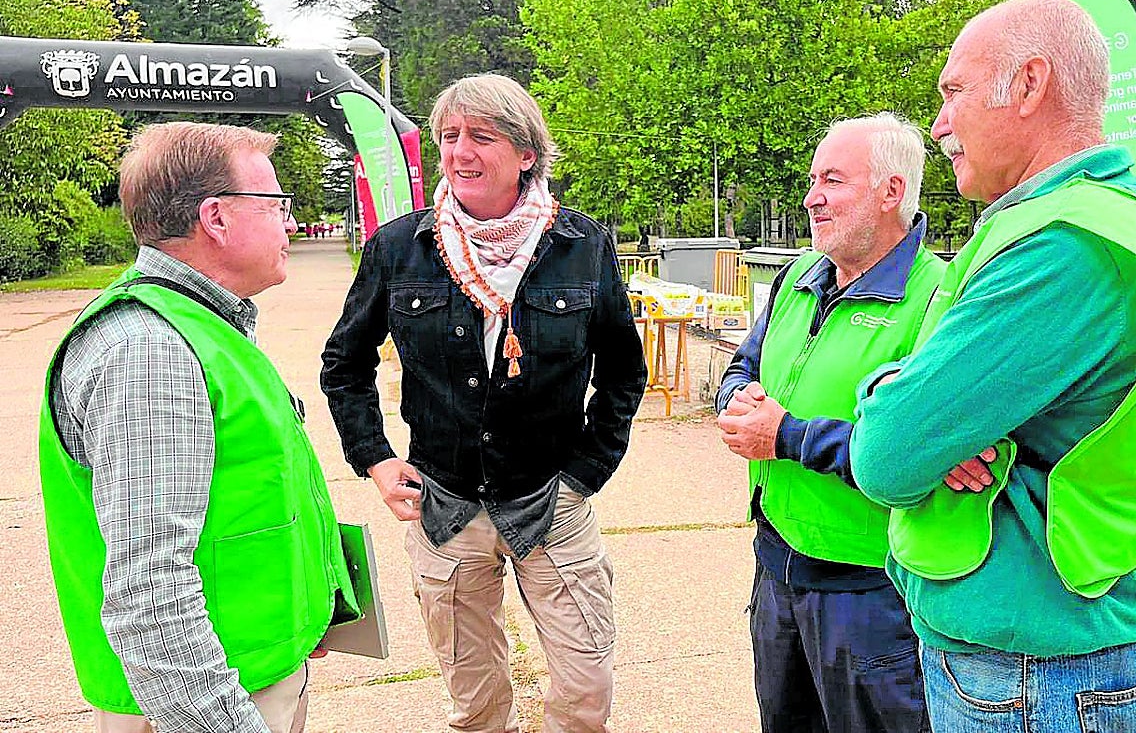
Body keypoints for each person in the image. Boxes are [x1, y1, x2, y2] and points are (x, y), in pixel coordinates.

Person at [848, 0, 1136, 731]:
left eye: (954, 92)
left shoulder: (1064, 250)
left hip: (1034, 673)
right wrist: (903, 393)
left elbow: (885, 457)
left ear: (1030, 84)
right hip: (1040, 658)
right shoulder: (1082, 220)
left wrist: (913, 415)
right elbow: (912, 377)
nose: (938, 124)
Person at [320, 74, 647, 732]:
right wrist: (376, 460)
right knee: (475, 702)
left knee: (586, 685)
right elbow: (345, 364)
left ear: (526, 154)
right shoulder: (399, 248)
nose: (460, 152)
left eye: (481, 136)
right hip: (445, 506)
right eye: (449, 136)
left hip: (552, 502)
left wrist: (584, 474)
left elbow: (622, 373)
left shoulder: (582, 246)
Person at [40, 122, 359, 733]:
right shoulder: (149, 352)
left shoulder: (198, 325)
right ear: (216, 218)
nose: (291, 223)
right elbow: (150, 590)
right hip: (206, 706)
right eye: (277, 204)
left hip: (246, 673)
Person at [715, 113, 940, 733]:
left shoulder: (937, 297)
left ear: (892, 192)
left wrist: (785, 436)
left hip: (870, 594)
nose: (812, 197)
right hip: (777, 566)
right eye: (813, 180)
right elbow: (745, 364)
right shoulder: (797, 277)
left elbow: (913, 449)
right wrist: (737, 400)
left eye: (833, 180)